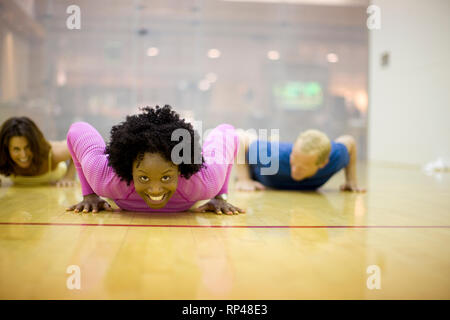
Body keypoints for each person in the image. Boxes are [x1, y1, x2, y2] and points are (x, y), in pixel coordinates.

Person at [65, 105, 245, 215]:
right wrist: (89, 194)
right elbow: (77, 130)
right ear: (129, 168)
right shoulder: (104, 178)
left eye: (166, 177)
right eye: (144, 178)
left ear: (181, 168)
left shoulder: (205, 182)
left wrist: (220, 196)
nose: (155, 189)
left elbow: (227, 132)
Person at [235, 129, 365, 192]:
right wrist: (243, 179)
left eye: (302, 167)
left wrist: (351, 181)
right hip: (258, 170)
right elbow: (241, 138)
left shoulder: (335, 158)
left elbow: (350, 141)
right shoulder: (274, 156)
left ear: (323, 163)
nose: (294, 170)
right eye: (293, 161)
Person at [0, 117, 76, 186]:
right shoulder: (2, 157)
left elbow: (76, 148)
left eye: (28, 147)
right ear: (6, 149)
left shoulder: (51, 153)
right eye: (16, 149)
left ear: (35, 144)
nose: (23, 155)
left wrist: (68, 176)